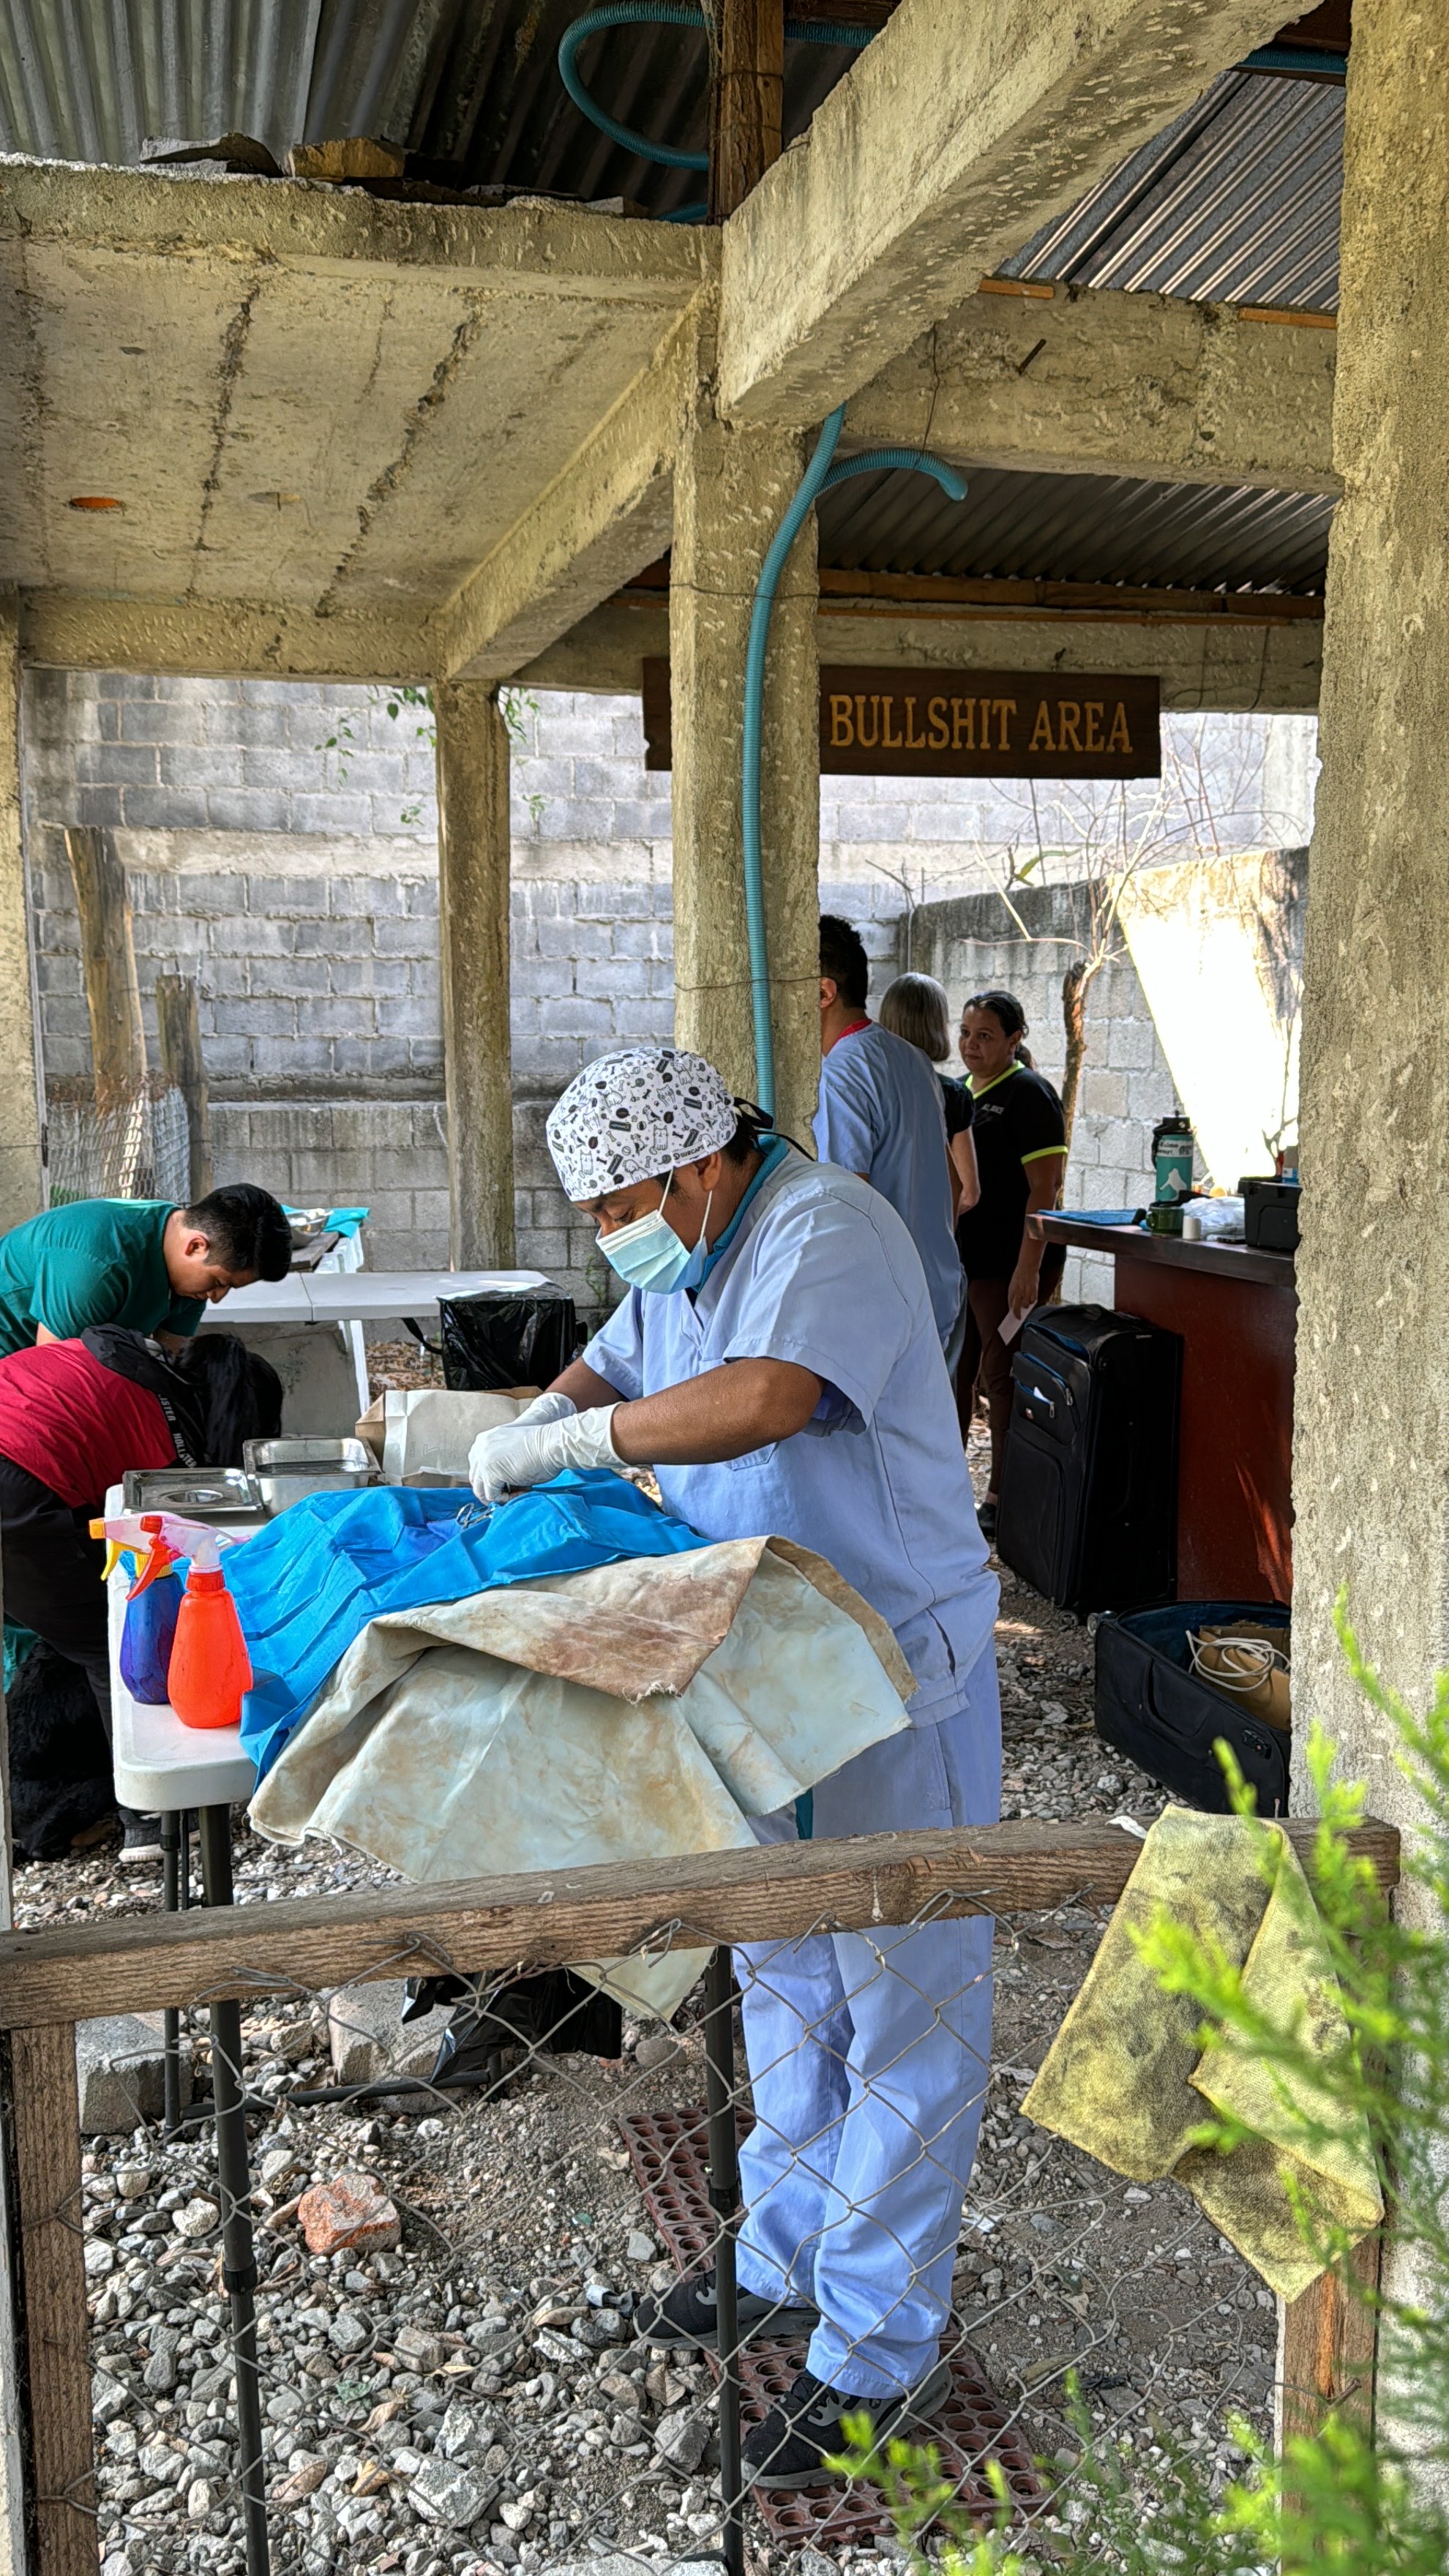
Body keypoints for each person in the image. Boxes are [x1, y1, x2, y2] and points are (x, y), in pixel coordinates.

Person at [468, 1046, 1000, 2489]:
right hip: (765, 1656)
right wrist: (530, 1418)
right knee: (787, 1970)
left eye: (619, 1202)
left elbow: (767, 1396)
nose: (608, 1232)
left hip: (895, 1663)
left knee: (907, 2001)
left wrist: (581, 1438)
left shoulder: (822, 1226)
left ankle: (879, 2349)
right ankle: (780, 2256)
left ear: (698, 1165)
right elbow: (623, 1346)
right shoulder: (689, 1244)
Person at [0, 1329, 282, 1859]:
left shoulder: (134, 1361)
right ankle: (150, 1818)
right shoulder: (167, 1428)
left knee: (98, 1614)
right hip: (11, 1493)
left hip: (23, 1471)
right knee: (114, 1649)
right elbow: (179, 1537)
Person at [813, 917, 963, 1347]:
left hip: (881, 1308)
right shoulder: (914, 1059)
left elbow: (846, 1204)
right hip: (936, 1287)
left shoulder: (842, 1072)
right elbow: (954, 1187)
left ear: (824, 992)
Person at [954, 992, 1067, 1539]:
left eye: (986, 1036)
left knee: (1001, 1374)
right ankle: (947, 1488)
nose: (972, 1046)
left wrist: (1030, 1265)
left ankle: (1001, 1494)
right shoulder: (962, 1092)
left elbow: (1045, 1188)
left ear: (1015, 1039)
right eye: (967, 1033)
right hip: (967, 1262)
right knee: (958, 1370)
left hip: (1009, 1262)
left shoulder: (1029, 1096)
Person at [0, 1183, 292, 1360]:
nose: (216, 1297)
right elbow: (51, 1376)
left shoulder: (186, 1271)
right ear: (195, 1246)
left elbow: (171, 1354)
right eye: (219, 1283)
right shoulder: (98, 1263)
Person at [878, 971, 981, 1219]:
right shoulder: (952, 1095)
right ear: (937, 1025)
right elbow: (968, 1192)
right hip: (932, 1239)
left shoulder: (868, 1087)